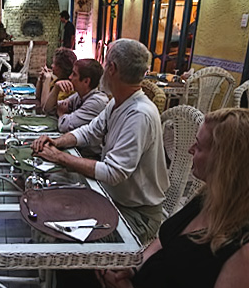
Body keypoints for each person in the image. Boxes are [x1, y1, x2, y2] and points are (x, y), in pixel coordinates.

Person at [91, 109, 249, 288]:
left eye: (198, 146)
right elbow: (165, 240)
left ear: (226, 163)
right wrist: (134, 266)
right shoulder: (212, 197)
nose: (190, 150)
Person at [32, 39, 169, 243]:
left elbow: (114, 172)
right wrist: (56, 141)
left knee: (61, 236)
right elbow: (89, 131)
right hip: (111, 197)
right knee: (51, 199)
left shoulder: (140, 114)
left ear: (112, 68)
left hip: (136, 215)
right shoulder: (117, 102)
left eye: (105, 64)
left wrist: (60, 157)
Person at [43, 58, 109, 133]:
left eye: (74, 74)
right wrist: (56, 89)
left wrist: (62, 114)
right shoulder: (79, 95)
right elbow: (48, 110)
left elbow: (64, 126)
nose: (70, 77)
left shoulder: (96, 102)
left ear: (86, 81)